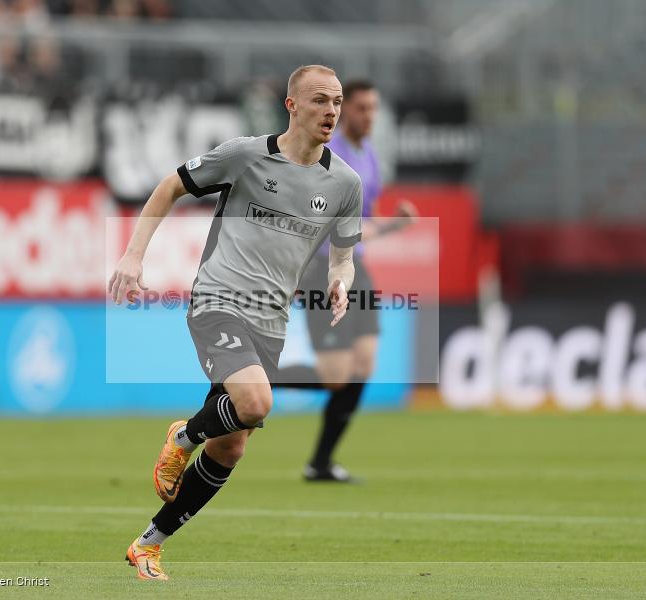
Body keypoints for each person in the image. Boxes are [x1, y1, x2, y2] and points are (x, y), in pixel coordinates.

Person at [107, 64, 362, 581]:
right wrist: (133, 256)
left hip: (272, 321)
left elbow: (344, 255)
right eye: (320, 100)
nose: (331, 111)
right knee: (256, 403)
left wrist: (341, 280)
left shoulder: (345, 183)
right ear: (292, 105)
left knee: (231, 445)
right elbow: (169, 187)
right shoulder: (246, 155)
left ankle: (149, 545)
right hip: (218, 301)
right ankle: (183, 437)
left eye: (337, 101)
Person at [276, 80, 418, 483]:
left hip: (357, 267)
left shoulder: (367, 153)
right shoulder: (327, 156)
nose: (368, 116)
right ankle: (248, 377)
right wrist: (389, 228)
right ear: (342, 111)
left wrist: (389, 225)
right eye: (360, 108)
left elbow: (362, 220)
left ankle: (320, 463)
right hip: (324, 270)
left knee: (364, 363)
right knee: (336, 376)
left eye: (373, 108)